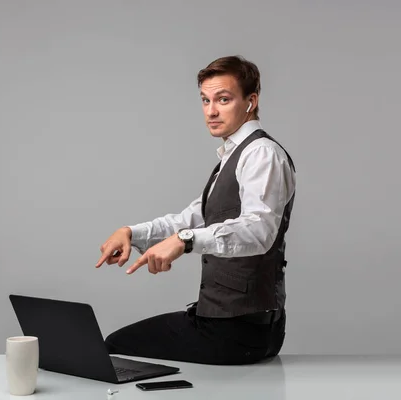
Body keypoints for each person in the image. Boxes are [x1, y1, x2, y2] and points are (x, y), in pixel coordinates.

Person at [94, 55, 296, 365]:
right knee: (118, 346)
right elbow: (192, 217)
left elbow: (259, 231)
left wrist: (185, 240)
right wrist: (130, 233)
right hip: (223, 322)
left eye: (223, 99)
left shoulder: (262, 154)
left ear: (250, 101)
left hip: (243, 331)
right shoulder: (232, 157)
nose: (211, 111)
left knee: (116, 347)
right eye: (205, 100)